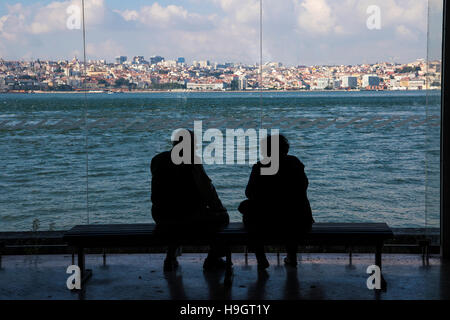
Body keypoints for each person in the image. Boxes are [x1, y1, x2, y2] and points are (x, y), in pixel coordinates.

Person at [151, 129, 230, 271]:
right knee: (222, 218)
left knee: (176, 214)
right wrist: (219, 209)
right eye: (194, 143)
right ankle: (213, 258)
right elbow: (207, 191)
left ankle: (170, 257)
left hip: (160, 215)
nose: (197, 147)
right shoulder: (192, 162)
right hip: (187, 217)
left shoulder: (158, 159)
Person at [239, 134, 314, 269]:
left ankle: (261, 257)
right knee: (293, 211)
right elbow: (303, 187)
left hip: (268, 221)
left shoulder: (260, 166)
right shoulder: (295, 163)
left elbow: (249, 193)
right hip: (298, 220)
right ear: (285, 149)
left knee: (247, 211)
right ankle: (291, 256)